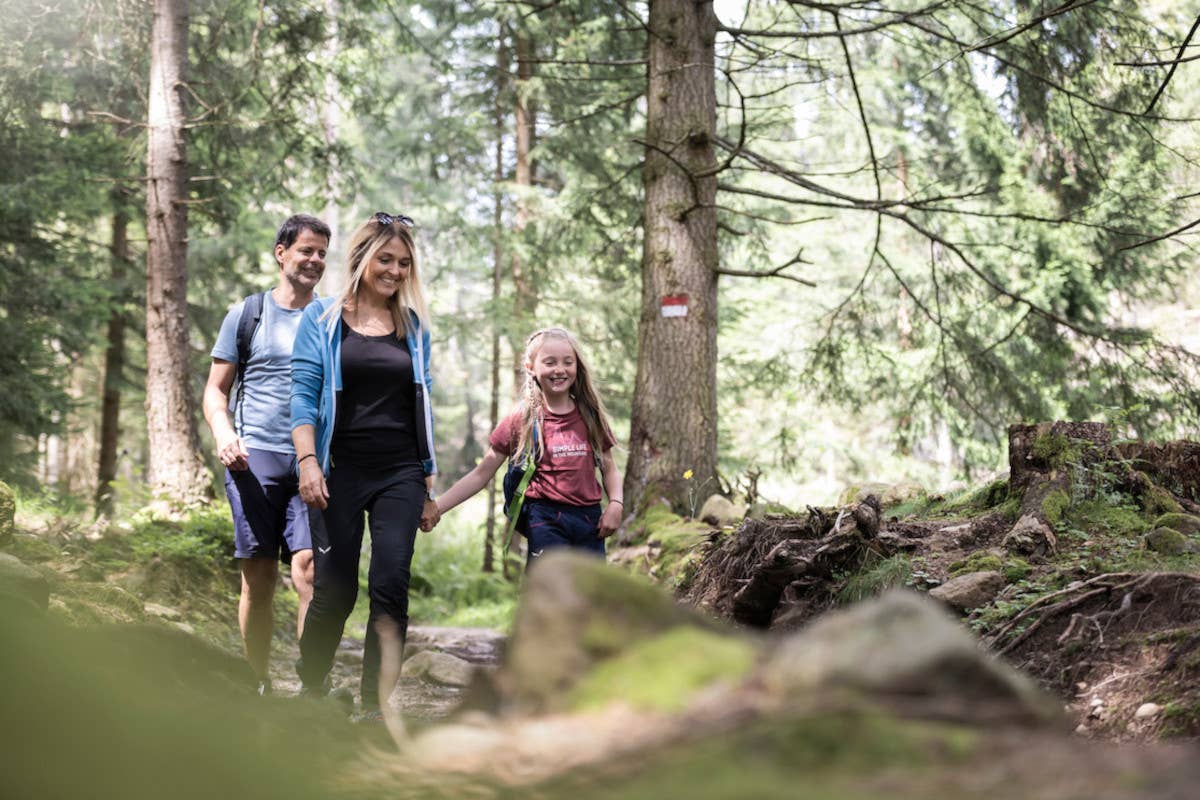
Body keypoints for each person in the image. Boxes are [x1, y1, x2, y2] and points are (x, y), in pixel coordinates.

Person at [290, 212, 440, 720]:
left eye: (404, 263)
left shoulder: (413, 328)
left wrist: (428, 477)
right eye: (385, 259)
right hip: (338, 469)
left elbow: (422, 402)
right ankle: (311, 691)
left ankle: (376, 705)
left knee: (391, 581)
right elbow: (302, 398)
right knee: (335, 587)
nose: (395, 271)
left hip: (400, 471)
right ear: (362, 258)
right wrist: (308, 461)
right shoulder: (323, 320)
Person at [202, 213, 331, 695]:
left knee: (309, 571)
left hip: (311, 462)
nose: (315, 260)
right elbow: (216, 391)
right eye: (306, 251)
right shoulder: (247, 313)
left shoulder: (331, 318)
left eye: (322, 253)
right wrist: (223, 434)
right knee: (258, 578)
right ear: (282, 253)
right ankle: (255, 681)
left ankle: (310, 685)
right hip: (253, 460)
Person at [434, 327, 624, 565]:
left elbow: (608, 466)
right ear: (530, 367)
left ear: (577, 367)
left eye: (568, 362)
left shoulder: (590, 416)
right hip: (545, 520)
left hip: (589, 521)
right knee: (550, 592)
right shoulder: (521, 420)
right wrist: (437, 508)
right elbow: (481, 474)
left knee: (589, 596)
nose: (559, 369)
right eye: (549, 362)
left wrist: (616, 504)